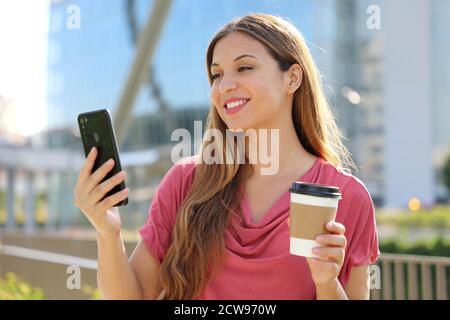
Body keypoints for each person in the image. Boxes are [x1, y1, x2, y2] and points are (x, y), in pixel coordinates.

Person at [73, 13, 379, 300]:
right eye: (216, 74)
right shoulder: (187, 181)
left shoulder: (346, 197)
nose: (224, 86)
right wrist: (107, 231)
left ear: (292, 78)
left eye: (244, 67)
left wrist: (327, 284)